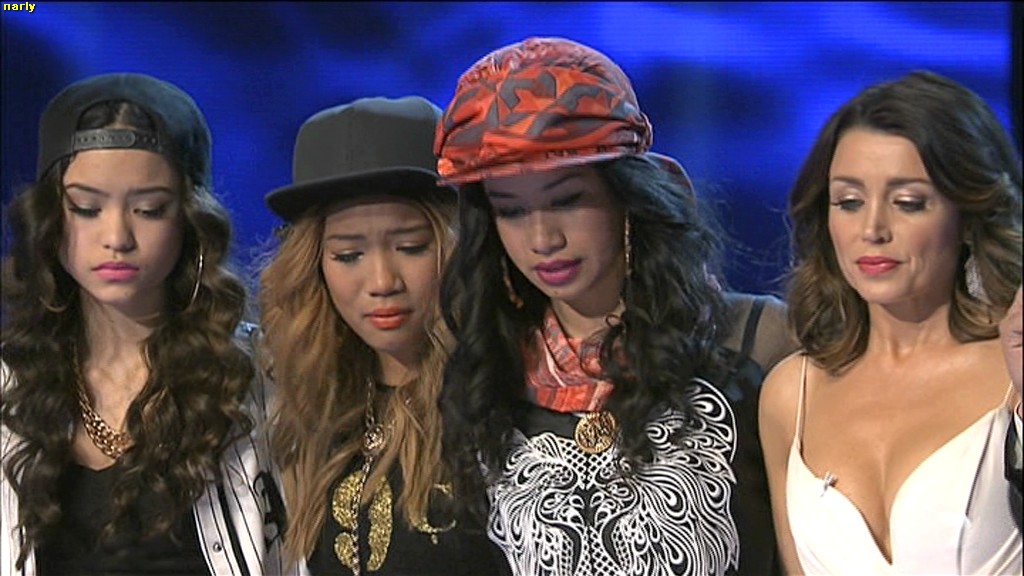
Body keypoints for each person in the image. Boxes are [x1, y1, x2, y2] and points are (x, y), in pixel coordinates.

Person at [434, 36, 797, 576]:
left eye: (567, 200)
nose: (543, 239)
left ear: (628, 197)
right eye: (511, 211)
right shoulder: (487, 371)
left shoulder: (756, 338)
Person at [0, 73, 293, 575]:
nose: (117, 236)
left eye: (149, 209)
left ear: (191, 219)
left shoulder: (260, 378)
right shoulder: (11, 386)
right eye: (87, 208)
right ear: (49, 218)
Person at [759, 70, 1023, 574]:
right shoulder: (790, 394)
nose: (873, 229)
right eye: (849, 202)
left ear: (969, 218)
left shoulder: (1012, 377)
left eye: (908, 203)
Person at [259, 96, 511, 575]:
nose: (381, 281)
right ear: (314, 265)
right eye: (348, 255)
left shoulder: (503, 399)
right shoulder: (305, 406)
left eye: (410, 246)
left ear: (457, 243)